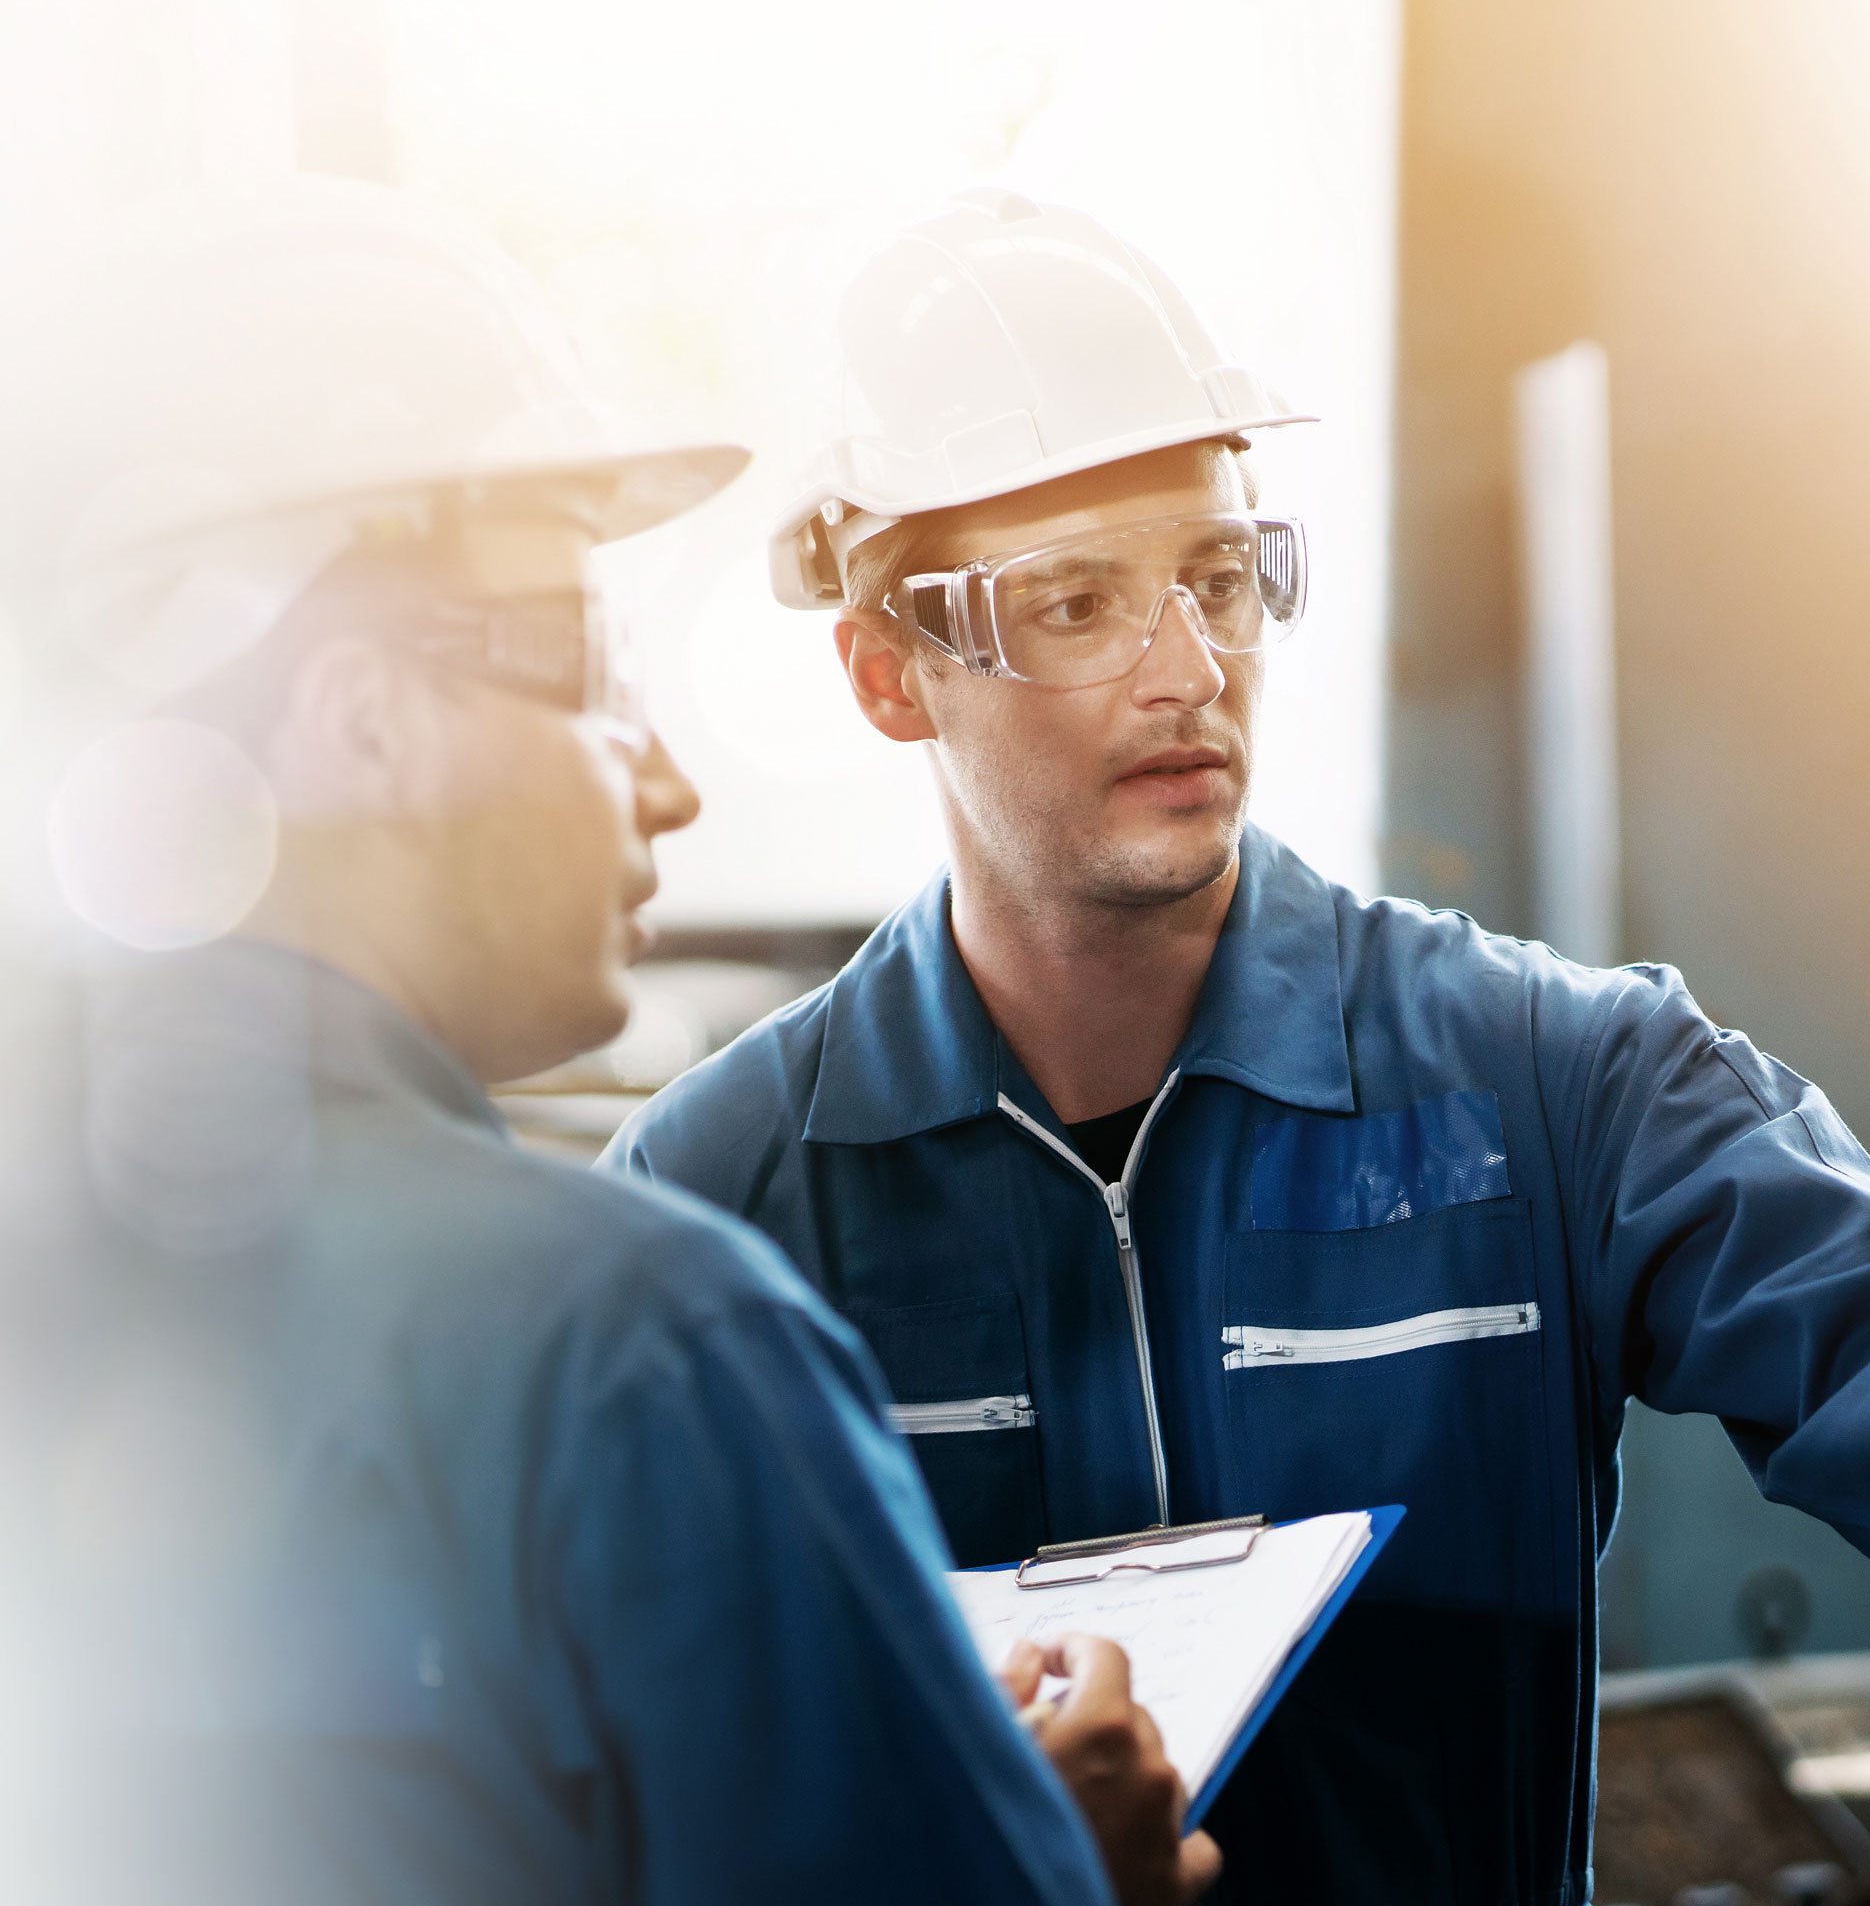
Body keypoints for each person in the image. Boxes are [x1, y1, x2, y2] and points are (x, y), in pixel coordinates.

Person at [601, 190, 1870, 1906]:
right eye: (1077, 604)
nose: (1189, 671)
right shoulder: (720, 1213)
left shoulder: (1557, 1087)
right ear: (888, 676)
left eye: (1219, 577)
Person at [0, 179, 1219, 1906]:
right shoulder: (645, 1345)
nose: (667, 780)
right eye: (589, 671)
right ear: (364, 719)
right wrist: (1055, 1873)